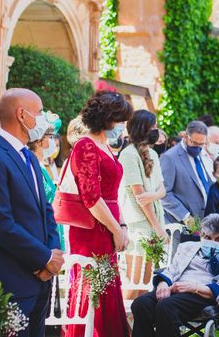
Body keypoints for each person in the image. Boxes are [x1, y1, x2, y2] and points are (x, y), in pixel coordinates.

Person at [0, 88, 62, 337]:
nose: (43, 119)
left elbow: (45, 210)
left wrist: (53, 254)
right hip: (11, 281)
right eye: (40, 112)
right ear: (22, 115)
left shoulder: (29, 158)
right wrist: (43, 257)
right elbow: (0, 225)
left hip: (41, 280)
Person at [63, 91, 132, 337]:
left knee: (107, 291)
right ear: (107, 118)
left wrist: (122, 226)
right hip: (91, 232)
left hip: (109, 226)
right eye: (120, 119)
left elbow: (112, 193)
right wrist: (116, 230)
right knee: (93, 293)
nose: (122, 126)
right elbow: (91, 197)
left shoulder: (104, 146)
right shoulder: (86, 146)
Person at [131, 213, 219, 337]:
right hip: (175, 287)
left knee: (165, 306)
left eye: (218, 239)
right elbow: (172, 270)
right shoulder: (186, 247)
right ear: (201, 236)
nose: (212, 242)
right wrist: (162, 283)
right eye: (208, 238)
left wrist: (192, 287)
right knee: (140, 304)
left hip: (200, 294)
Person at [118, 109, 167, 299]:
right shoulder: (128, 155)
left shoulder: (153, 154)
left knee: (146, 282)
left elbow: (162, 190)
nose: (156, 130)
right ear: (142, 128)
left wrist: (153, 195)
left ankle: (137, 326)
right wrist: (158, 228)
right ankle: (124, 324)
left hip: (155, 222)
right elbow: (139, 197)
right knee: (134, 279)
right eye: (153, 127)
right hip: (139, 226)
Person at [160, 121, 214, 224]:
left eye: (201, 144)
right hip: (182, 223)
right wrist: (185, 217)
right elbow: (164, 193)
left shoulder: (203, 154)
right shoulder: (169, 157)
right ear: (185, 136)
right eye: (194, 143)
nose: (198, 147)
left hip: (206, 220)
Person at [27, 111, 65, 250]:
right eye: (51, 136)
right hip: (39, 240)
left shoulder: (40, 167)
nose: (54, 141)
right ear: (38, 140)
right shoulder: (30, 167)